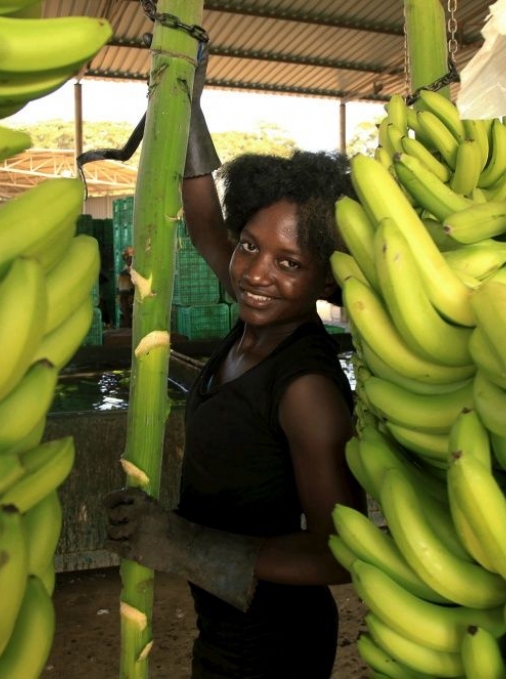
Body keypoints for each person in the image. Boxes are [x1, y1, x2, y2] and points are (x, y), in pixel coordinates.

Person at [103, 42, 366, 679]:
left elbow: (340, 554)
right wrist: (186, 98)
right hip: (225, 621)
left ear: (324, 281)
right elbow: (202, 224)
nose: (254, 273)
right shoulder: (256, 322)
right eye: (251, 245)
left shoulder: (306, 387)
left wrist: (184, 544)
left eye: (289, 262)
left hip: (274, 641)